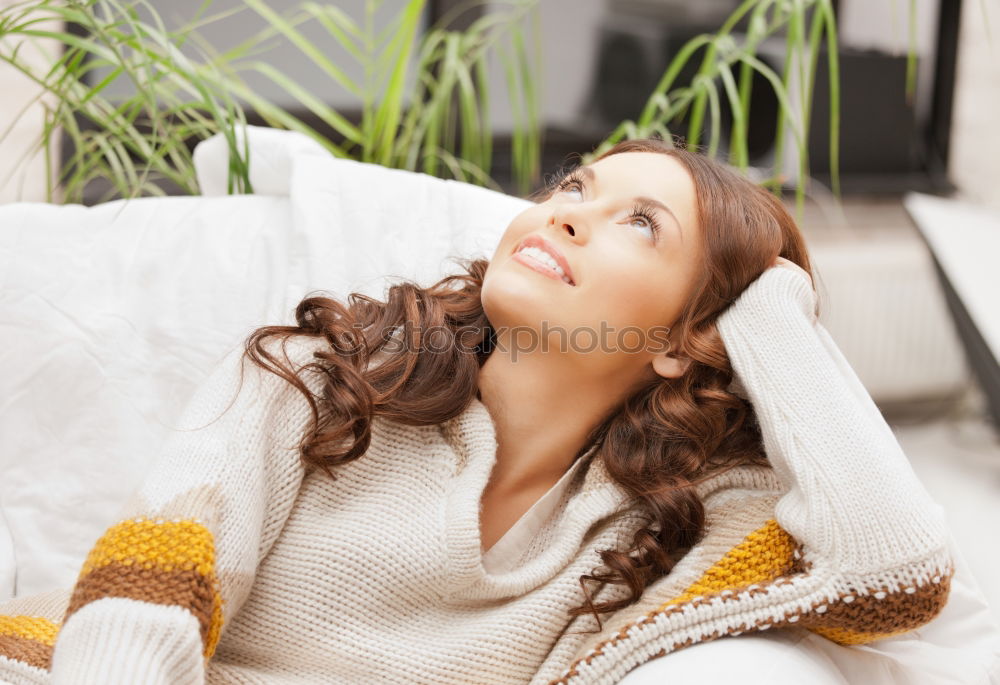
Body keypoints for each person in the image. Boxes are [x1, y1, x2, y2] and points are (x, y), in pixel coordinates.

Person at [0, 138, 952, 684]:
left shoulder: (670, 524)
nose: (565, 210)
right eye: (576, 185)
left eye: (640, 223)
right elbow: (145, 593)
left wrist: (773, 312)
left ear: (687, 339)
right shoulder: (317, 379)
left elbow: (897, 574)